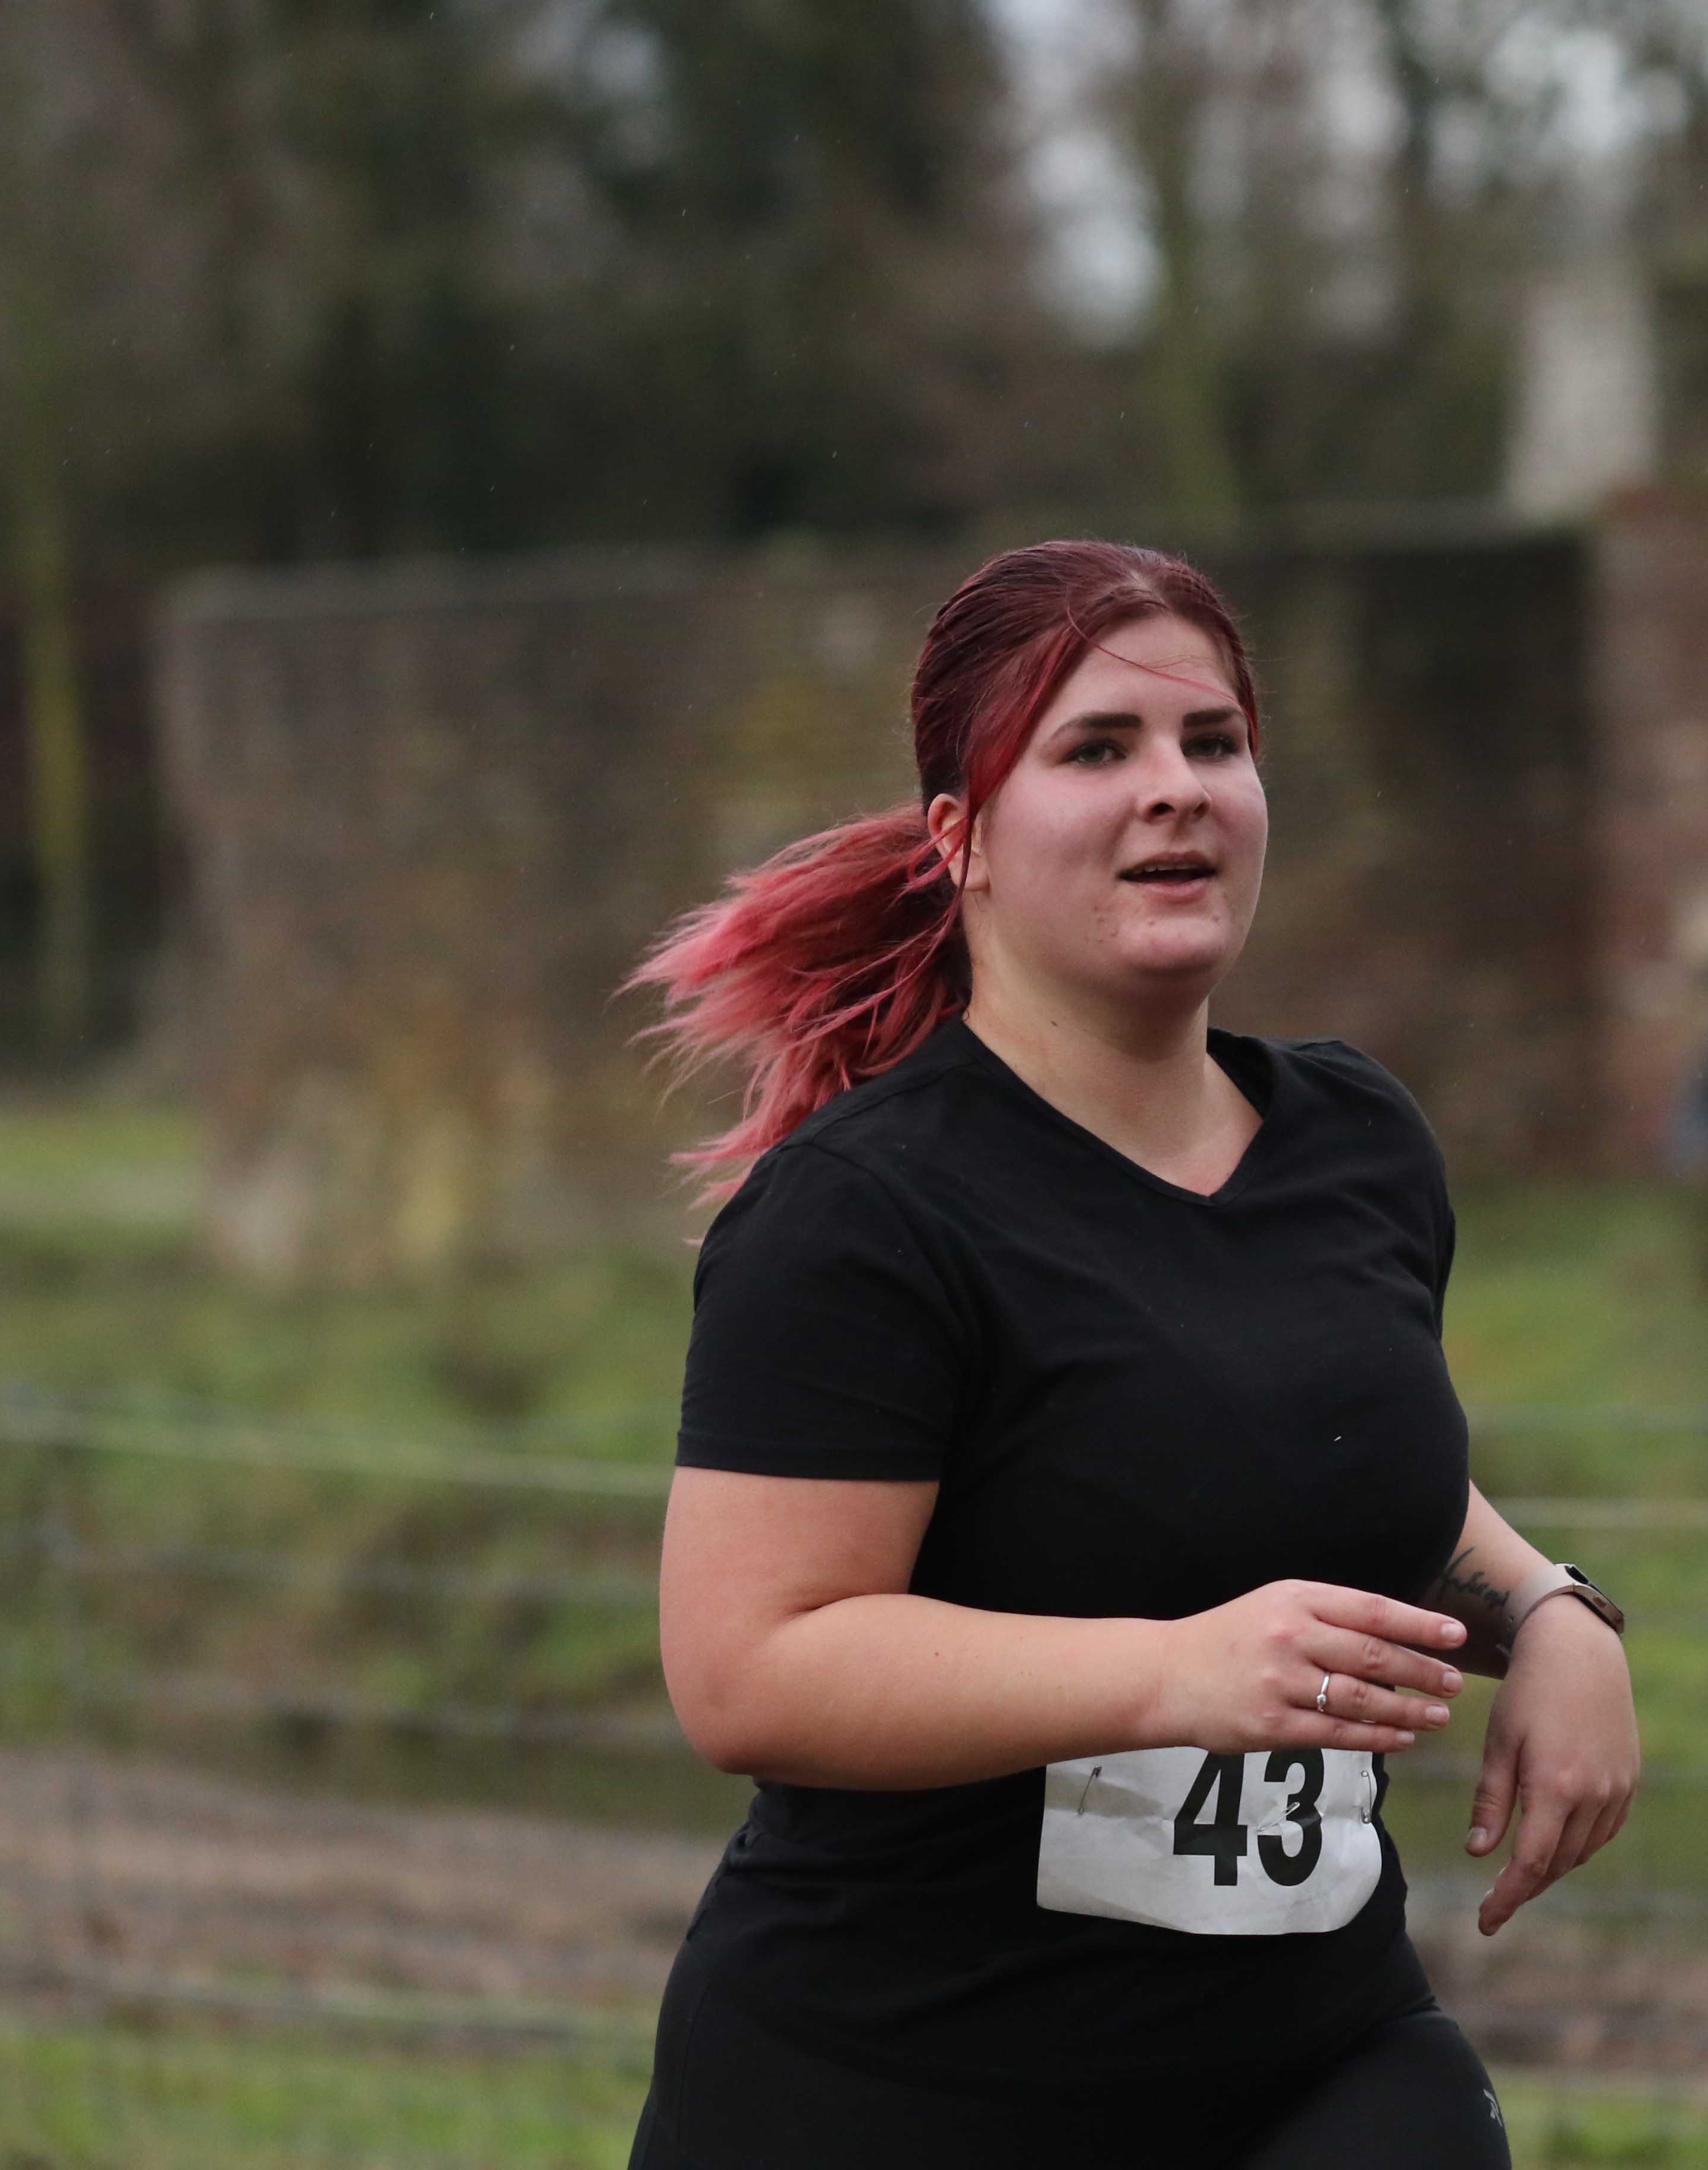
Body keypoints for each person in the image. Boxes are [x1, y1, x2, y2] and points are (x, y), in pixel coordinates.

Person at [622, 540, 1640, 2168]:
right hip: (904, 2090)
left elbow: (1314, 1453)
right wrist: (1172, 1677)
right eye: (1096, 749)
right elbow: (750, 1668)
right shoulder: (860, 1215)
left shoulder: (1357, 1138)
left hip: (1316, 2057)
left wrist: (1553, 1612)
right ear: (961, 838)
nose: (1175, 788)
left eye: (1211, 743)